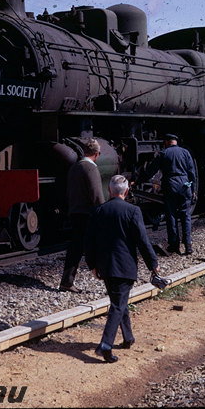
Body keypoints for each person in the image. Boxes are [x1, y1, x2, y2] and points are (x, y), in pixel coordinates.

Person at [85, 175, 160, 363]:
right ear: (126, 191)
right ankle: (105, 345)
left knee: (120, 301)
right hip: (125, 267)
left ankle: (128, 338)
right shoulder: (133, 211)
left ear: (109, 191)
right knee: (118, 305)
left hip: (105, 266)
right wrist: (153, 264)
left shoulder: (99, 211)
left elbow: (89, 241)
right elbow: (142, 240)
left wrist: (92, 264)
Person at [138, 134, 197, 255]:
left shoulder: (164, 153)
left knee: (172, 215)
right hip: (185, 185)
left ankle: (174, 245)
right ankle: (188, 245)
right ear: (175, 142)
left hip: (171, 185)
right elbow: (192, 172)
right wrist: (193, 188)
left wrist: (138, 181)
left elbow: (151, 171)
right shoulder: (185, 152)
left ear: (166, 142)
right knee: (186, 216)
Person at [59, 138, 105, 293]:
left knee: (75, 248)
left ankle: (67, 281)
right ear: (97, 154)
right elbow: (97, 195)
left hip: (75, 212)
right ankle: (108, 281)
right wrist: (103, 212)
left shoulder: (74, 167)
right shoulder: (90, 168)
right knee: (100, 245)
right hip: (88, 215)